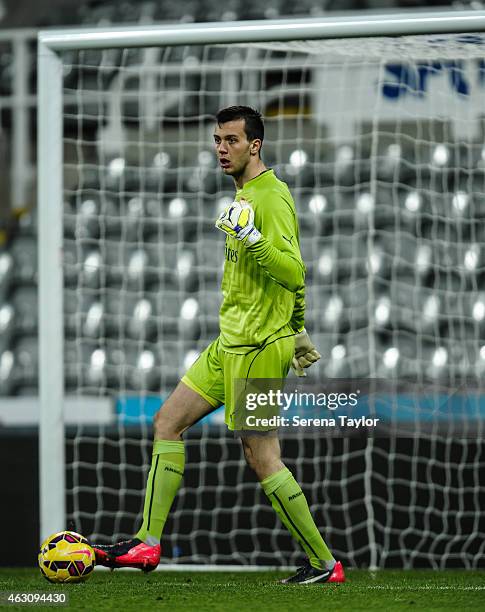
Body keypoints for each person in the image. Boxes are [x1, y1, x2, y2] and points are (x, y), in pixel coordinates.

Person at [93, 106, 345, 585]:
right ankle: (147, 542)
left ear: (256, 145)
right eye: (217, 140)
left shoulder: (271, 198)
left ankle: (324, 563)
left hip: (258, 350)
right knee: (167, 421)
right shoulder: (243, 194)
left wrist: (254, 245)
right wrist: (298, 324)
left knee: (261, 456)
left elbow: (294, 270)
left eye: (231, 140)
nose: (221, 149)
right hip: (228, 342)